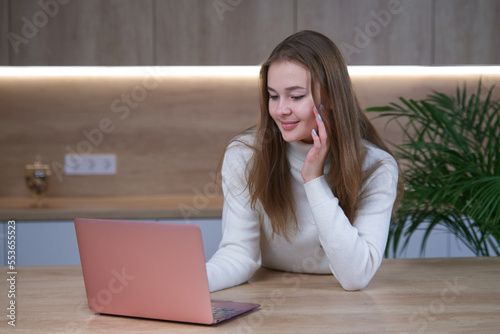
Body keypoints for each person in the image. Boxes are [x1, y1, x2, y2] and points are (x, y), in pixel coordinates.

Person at [206, 30, 403, 292]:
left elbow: (355, 276)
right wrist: (186, 283)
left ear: (331, 97)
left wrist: (314, 179)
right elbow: (238, 254)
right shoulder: (244, 155)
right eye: (273, 96)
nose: (280, 110)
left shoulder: (377, 168)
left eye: (295, 96)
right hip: (270, 297)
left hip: (345, 309)